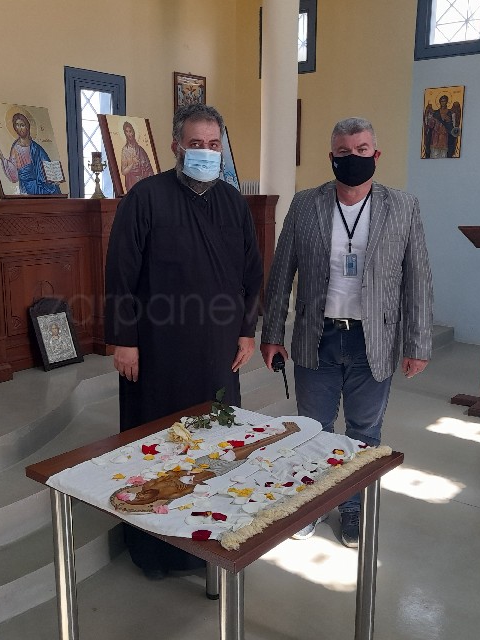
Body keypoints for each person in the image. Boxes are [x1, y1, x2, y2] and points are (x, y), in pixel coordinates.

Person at [104, 103, 263, 579]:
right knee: (156, 449)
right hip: (158, 353)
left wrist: (246, 330)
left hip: (217, 353)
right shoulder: (146, 197)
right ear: (176, 146)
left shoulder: (233, 202)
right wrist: (124, 340)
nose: (206, 152)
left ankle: (207, 540)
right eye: (196, 144)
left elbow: (251, 273)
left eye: (214, 145)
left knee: (214, 448)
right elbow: (121, 272)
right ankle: (154, 548)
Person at [260, 116, 433, 548]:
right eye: (343, 152)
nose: (352, 158)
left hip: (372, 340)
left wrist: (417, 342)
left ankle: (353, 507)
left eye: (361, 150)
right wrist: (272, 333)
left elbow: (418, 278)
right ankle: (312, 504)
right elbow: (282, 272)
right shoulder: (306, 204)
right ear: (331, 157)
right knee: (312, 428)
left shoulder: (403, 206)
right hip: (315, 336)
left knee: (364, 432)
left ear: (376, 154)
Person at [0, 112, 61, 195]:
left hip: (40, 186)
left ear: (27, 127)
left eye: (22, 125)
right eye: (17, 125)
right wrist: (2, 158)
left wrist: (54, 178)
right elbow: (14, 175)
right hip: (25, 187)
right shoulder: (15, 148)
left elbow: (48, 165)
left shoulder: (36, 148)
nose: (19, 128)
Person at [119, 120, 155, 192]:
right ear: (125, 133)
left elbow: (149, 169)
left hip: (143, 182)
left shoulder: (141, 149)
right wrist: (132, 163)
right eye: (127, 132)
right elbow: (123, 172)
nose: (129, 134)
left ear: (133, 132)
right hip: (132, 182)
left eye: (130, 131)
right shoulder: (125, 150)